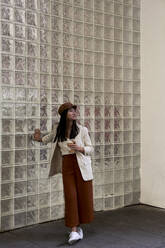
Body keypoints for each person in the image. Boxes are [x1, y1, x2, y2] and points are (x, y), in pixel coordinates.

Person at [33, 102, 94, 245]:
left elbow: (91, 148)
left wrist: (80, 148)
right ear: (64, 114)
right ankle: (74, 230)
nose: (74, 112)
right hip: (67, 165)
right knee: (71, 197)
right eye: (70, 111)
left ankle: (78, 227)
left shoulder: (82, 130)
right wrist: (38, 137)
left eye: (74, 110)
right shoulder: (58, 130)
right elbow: (47, 138)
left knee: (83, 196)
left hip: (81, 165)